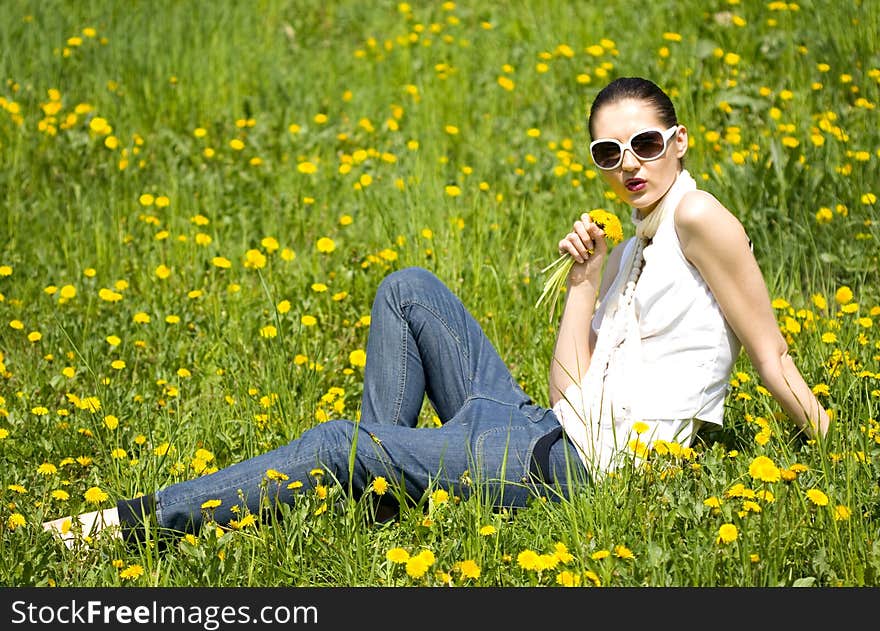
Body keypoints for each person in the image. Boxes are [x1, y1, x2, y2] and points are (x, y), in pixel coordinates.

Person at [43, 76, 830, 547]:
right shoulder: (627, 253)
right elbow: (565, 394)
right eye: (608, 152)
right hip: (541, 431)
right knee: (408, 287)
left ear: (679, 142)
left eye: (646, 143)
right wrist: (585, 281)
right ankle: (380, 502)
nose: (629, 164)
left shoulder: (700, 220)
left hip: (577, 474)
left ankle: (124, 525)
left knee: (336, 441)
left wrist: (837, 453)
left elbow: (774, 359)